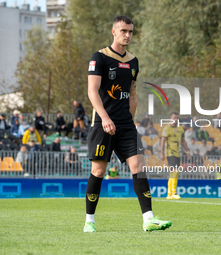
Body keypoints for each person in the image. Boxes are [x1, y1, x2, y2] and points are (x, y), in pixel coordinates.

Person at [85, 15, 171, 233]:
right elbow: (92, 91)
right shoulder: (100, 57)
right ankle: (89, 221)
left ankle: (148, 219)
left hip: (126, 125)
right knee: (98, 171)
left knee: (139, 167)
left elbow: (132, 94)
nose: (128, 35)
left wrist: (130, 122)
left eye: (131, 31)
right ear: (114, 31)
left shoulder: (133, 61)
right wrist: (105, 118)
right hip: (102, 123)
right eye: (123, 31)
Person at [161, 112, 190, 200]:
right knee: (175, 170)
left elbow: (183, 141)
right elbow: (163, 141)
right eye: (174, 117)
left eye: (177, 118)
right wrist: (161, 153)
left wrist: (187, 151)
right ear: (170, 119)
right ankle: (173, 192)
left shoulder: (180, 129)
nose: (176, 119)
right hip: (170, 153)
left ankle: (169, 193)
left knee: (173, 172)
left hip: (178, 153)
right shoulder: (167, 128)